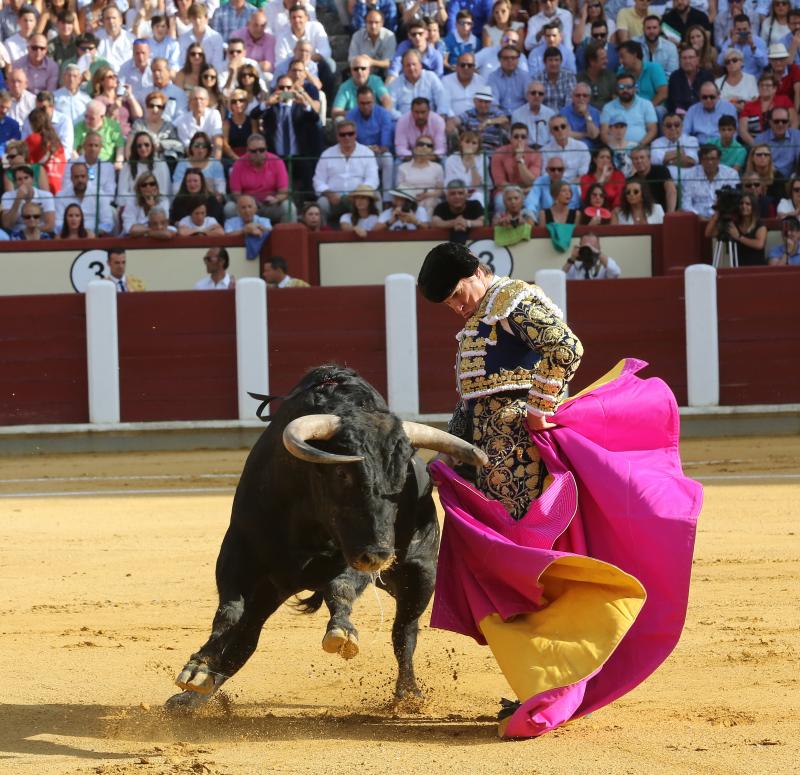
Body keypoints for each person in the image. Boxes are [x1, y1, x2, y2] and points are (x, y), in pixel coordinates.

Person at [313, 120, 379, 224]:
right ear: (337, 137)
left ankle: (375, 230)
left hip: (359, 197)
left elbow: (373, 179)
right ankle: (323, 231)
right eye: (342, 135)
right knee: (322, 203)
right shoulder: (327, 154)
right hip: (334, 199)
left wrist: (358, 193)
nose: (347, 137)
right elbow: (318, 180)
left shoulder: (367, 153)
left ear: (355, 135)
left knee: (377, 195)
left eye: (350, 134)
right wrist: (329, 193)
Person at [229, 132, 293, 223]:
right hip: (247, 206)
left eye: (262, 150)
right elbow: (236, 193)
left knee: (289, 207)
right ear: (247, 151)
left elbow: (284, 191)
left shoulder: (277, 161)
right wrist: (248, 203)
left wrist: (276, 199)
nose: (258, 153)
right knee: (229, 208)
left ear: (266, 149)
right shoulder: (238, 164)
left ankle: (287, 233)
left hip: (271, 205)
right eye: (254, 151)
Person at [703, 191, 767, 266]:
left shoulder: (759, 224)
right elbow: (708, 234)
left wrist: (739, 237)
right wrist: (715, 217)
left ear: (754, 207)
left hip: (756, 267)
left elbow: (759, 244)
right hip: (738, 266)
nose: (744, 206)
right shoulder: (734, 224)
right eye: (741, 203)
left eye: (748, 204)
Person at [680, 144, 740, 219]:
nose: (710, 162)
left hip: (723, 218)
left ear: (719, 159)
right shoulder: (689, 175)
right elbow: (686, 203)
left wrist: (719, 216)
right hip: (696, 219)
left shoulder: (731, 174)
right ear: (700, 160)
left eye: (713, 159)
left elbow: (734, 201)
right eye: (706, 159)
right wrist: (697, 216)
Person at [490, 123, 540, 212]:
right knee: (500, 203)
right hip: (505, 191)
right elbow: (500, 182)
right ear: (510, 138)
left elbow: (531, 181)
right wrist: (518, 191)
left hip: (527, 192)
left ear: (527, 140)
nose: (519, 140)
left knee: (532, 203)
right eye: (516, 137)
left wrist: (520, 160)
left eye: (523, 137)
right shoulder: (499, 153)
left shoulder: (534, 154)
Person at [396, 134, 444, 216]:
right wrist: (414, 197)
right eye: (421, 144)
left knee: (430, 202)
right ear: (414, 149)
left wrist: (427, 195)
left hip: (431, 201)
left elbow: (440, 190)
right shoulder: (403, 167)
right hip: (409, 201)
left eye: (429, 145)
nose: (424, 147)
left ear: (431, 151)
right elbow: (399, 190)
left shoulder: (437, 168)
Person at [1, 163, 55, 233]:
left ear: (32, 180)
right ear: (15, 183)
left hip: (40, 233)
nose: (23, 182)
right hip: (16, 234)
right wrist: (18, 200)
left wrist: (30, 233)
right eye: (19, 179)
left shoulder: (46, 195)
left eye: (26, 178)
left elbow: (50, 225)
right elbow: (7, 224)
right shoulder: (7, 196)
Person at [754, 106, 800, 178]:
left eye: (784, 121)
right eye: (776, 121)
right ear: (770, 122)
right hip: (767, 177)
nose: (780, 124)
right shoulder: (760, 138)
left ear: (788, 122)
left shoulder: (797, 135)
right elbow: (755, 164)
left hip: (790, 179)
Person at [579, 144, 626, 209]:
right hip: (592, 211)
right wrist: (603, 177)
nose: (605, 160)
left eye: (608, 157)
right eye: (602, 157)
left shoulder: (619, 176)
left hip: (614, 211)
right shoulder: (585, 178)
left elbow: (620, 199)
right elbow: (587, 199)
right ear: (595, 159)